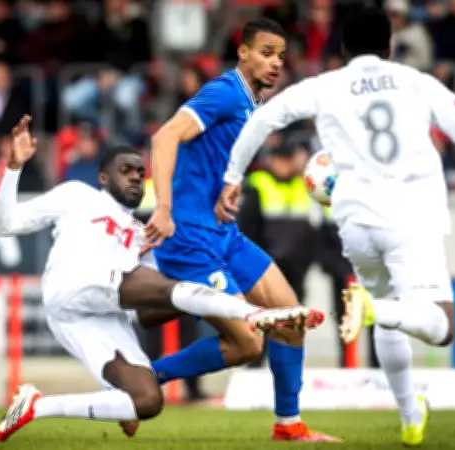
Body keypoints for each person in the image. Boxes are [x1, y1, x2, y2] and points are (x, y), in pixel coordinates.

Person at [217, 5, 455, 447]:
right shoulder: (414, 81)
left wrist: (232, 177)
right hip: (411, 216)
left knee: (388, 316)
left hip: (356, 221)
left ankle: (409, 415)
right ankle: (376, 314)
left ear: (344, 50)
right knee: (442, 326)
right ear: (389, 46)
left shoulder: (325, 85)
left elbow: (264, 118)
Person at [0, 116, 324, 442]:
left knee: (146, 402)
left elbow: (149, 312)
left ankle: (37, 405)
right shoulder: (77, 195)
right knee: (170, 288)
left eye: (140, 172)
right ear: (103, 177)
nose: (136, 177)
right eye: (126, 170)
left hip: (93, 315)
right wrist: (13, 168)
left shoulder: (141, 235)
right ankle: (254, 314)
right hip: (73, 285)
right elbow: (4, 226)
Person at [142, 18, 339, 442]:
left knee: (290, 318)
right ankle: (144, 379)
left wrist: (228, 187)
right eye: (266, 52)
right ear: (243, 52)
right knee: (248, 344)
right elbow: (164, 138)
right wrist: (163, 206)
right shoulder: (224, 93)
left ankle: (288, 425)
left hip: (224, 233)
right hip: (190, 238)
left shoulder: (252, 105)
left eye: (281, 56)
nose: (275, 63)